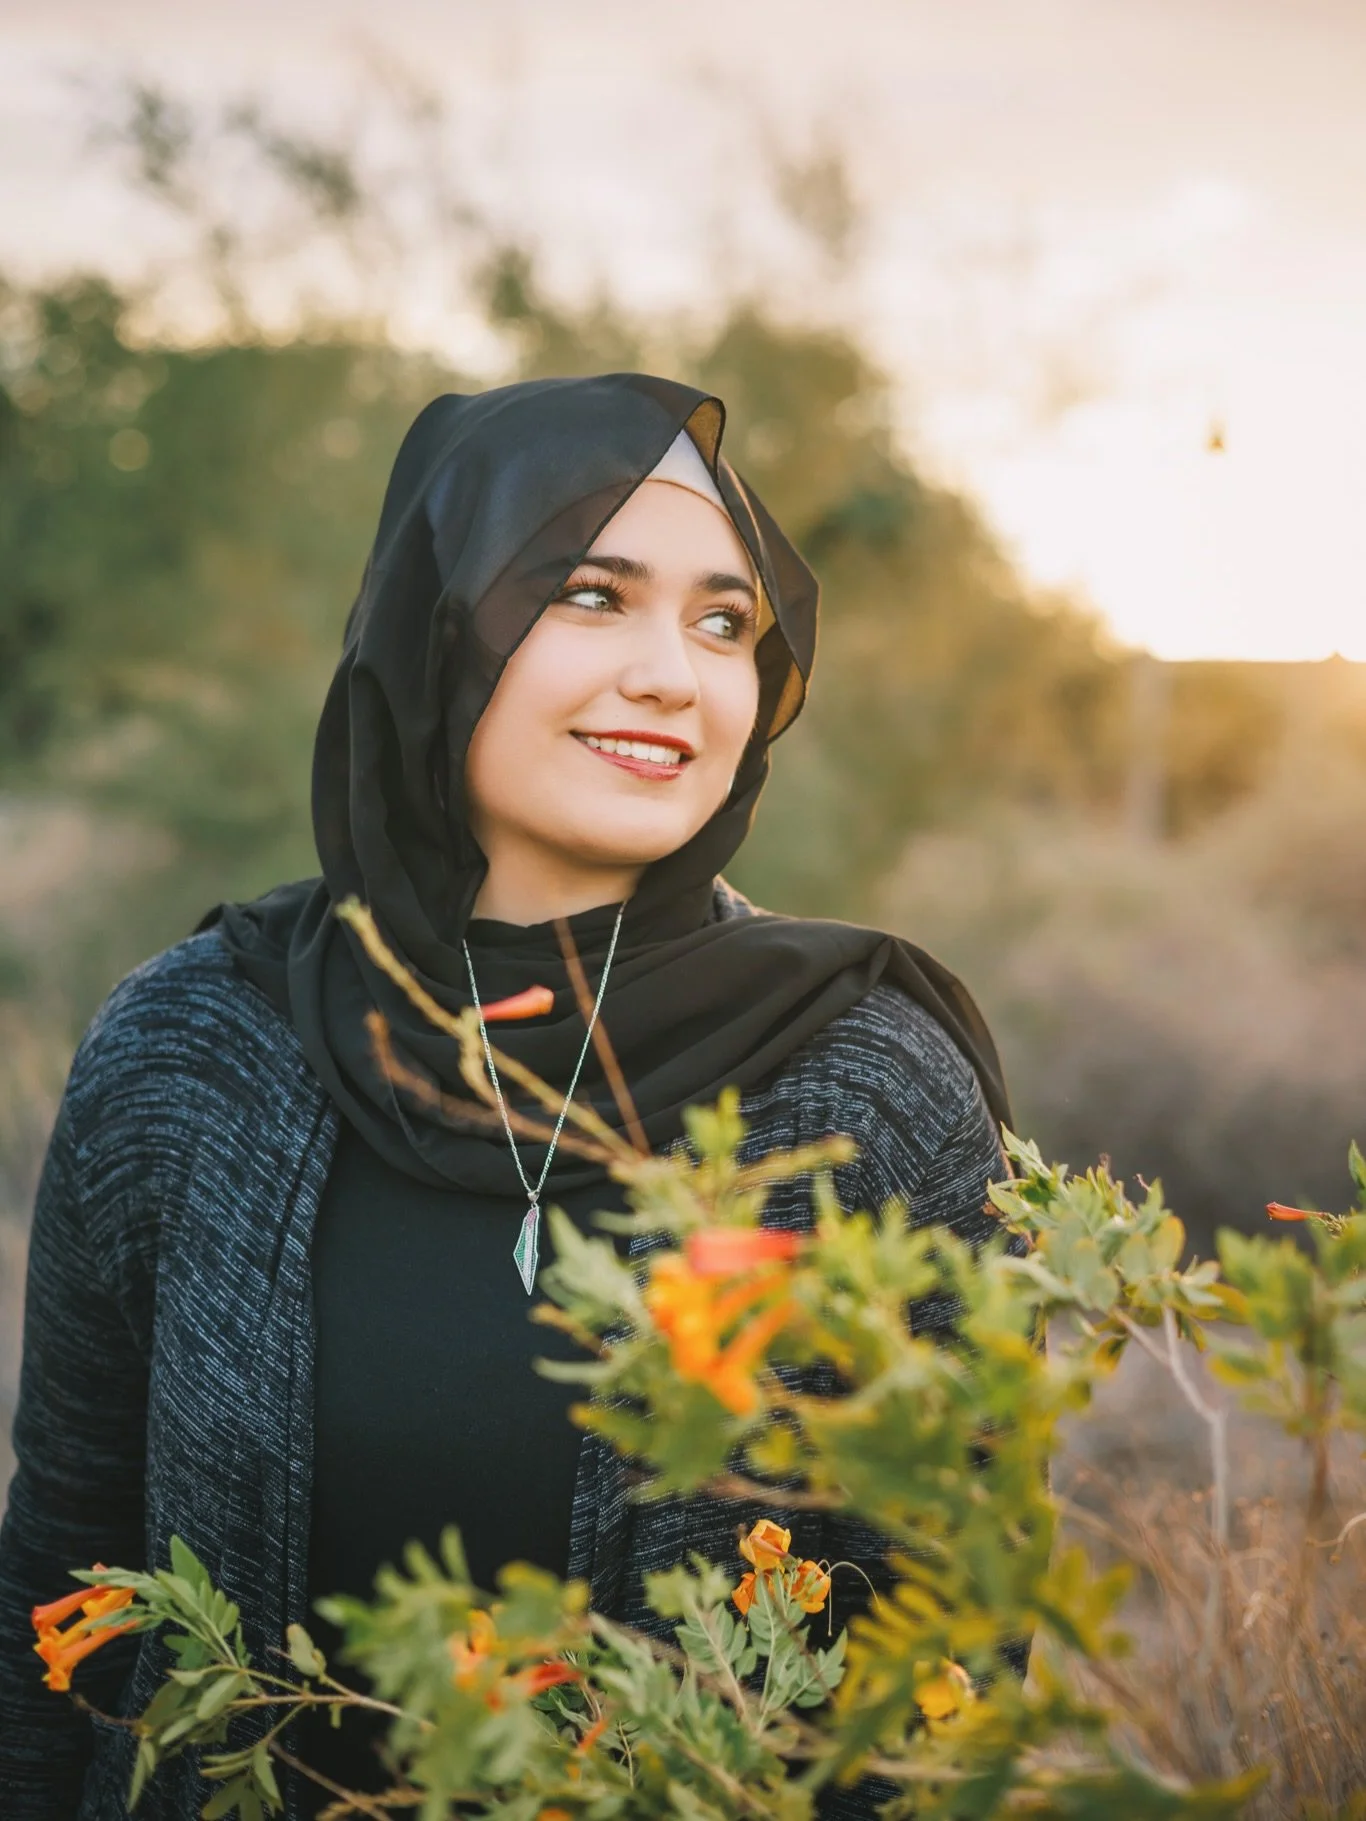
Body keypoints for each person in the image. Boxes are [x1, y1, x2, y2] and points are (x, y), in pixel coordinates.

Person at [0, 373, 1013, 1819]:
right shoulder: (192, 1044)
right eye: (592, 593)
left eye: (724, 622)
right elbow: (64, 1562)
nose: (675, 672)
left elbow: (952, 1650)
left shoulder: (864, 1082)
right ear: (436, 625)